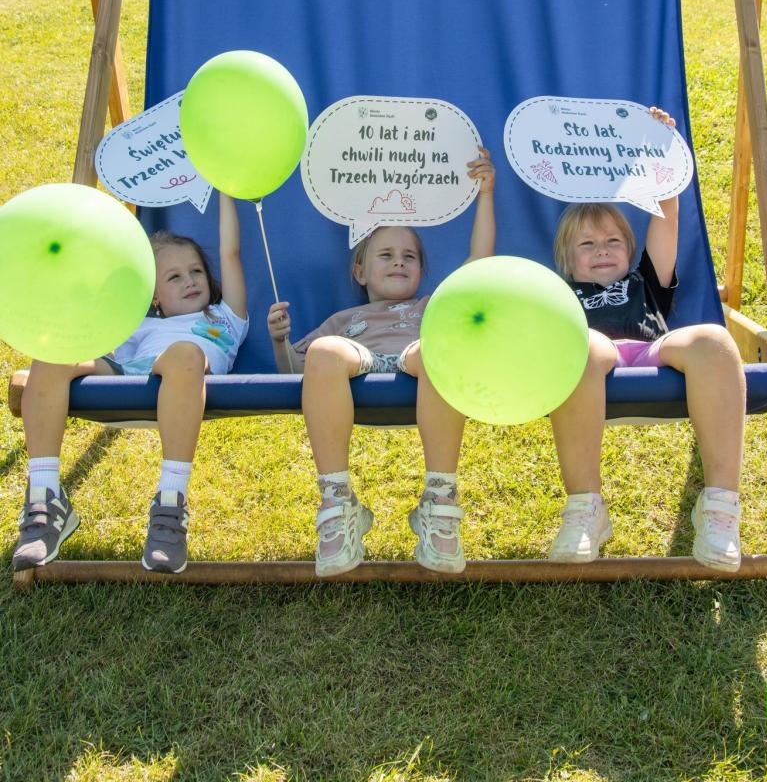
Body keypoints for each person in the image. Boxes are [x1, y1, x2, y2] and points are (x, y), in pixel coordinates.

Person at [268, 149, 496, 578]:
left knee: (436, 350)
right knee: (325, 351)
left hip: (416, 358)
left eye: (409, 257)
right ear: (360, 272)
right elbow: (298, 376)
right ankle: (337, 501)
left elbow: (478, 263)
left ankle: (440, 499)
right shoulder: (343, 320)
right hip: (361, 360)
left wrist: (486, 194)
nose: (398, 261)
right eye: (386, 255)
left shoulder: (434, 306)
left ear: (421, 272)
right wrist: (280, 341)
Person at [546, 108, 746, 573]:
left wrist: (663, 148)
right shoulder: (558, 294)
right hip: (589, 362)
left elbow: (668, 213)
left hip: (654, 352)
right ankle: (585, 508)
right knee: (585, 345)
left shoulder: (645, 279)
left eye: (613, 242)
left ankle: (719, 508)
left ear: (630, 251)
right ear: (566, 261)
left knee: (714, 340)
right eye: (587, 245)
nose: (601, 251)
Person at [12, 193, 248, 575]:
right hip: (128, 372)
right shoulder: (136, 321)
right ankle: (46, 499)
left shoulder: (227, 316)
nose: (190, 281)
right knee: (52, 354)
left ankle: (171, 506)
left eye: (196, 272)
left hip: (184, 376)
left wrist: (225, 190)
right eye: (174, 277)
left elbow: (231, 252)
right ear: (153, 296)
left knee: (186, 353)